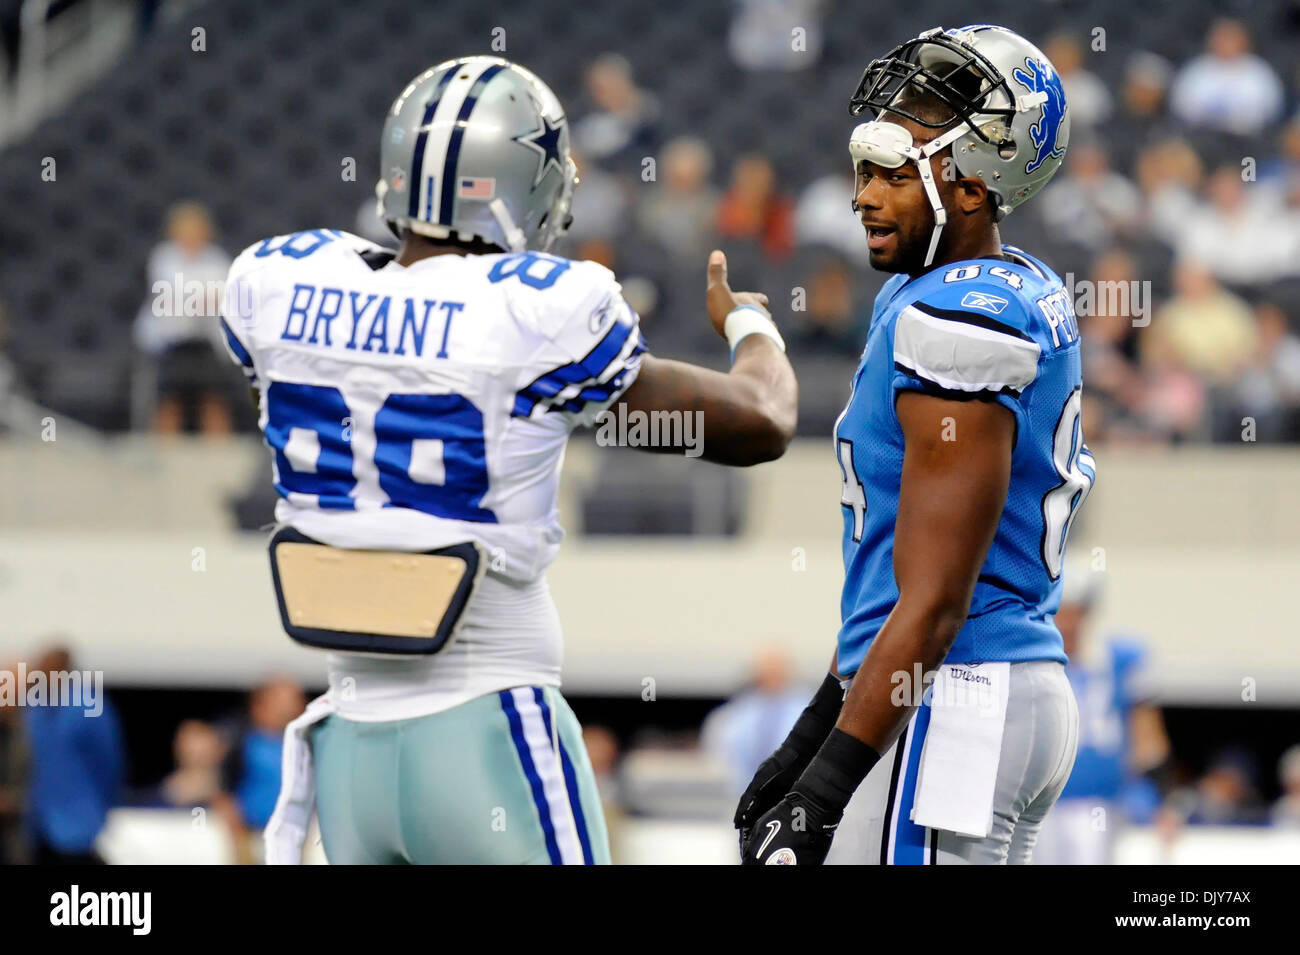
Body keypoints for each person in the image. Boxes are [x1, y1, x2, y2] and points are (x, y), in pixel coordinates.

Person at [219, 56, 796, 865]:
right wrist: (751, 331)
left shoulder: (276, 284)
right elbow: (762, 422)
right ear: (529, 183)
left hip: (348, 750)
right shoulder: (543, 308)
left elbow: (295, 403)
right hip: (488, 730)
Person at [737, 25, 1092, 865]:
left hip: (956, 691)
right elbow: (890, 576)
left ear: (973, 190)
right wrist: (806, 738)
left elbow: (933, 599)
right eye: (863, 171)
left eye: (895, 173)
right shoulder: (999, 285)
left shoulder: (957, 314)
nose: (863, 196)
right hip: (999, 685)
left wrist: (822, 791)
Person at [1033, 569, 1170, 865]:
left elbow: (1149, 740)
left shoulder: (1119, 659)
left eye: (1075, 612)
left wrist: (1162, 802)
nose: (1067, 622)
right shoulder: (1030, 656)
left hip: (1096, 802)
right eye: (1060, 611)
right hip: (1037, 801)